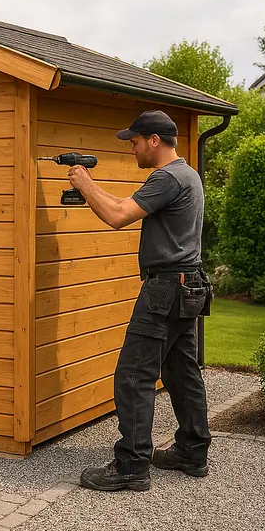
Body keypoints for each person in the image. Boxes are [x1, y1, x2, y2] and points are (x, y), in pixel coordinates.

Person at [65, 109, 213, 492]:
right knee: (181, 371)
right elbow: (123, 204)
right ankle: (192, 451)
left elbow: (117, 215)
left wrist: (85, 183)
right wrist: (91, 187)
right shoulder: (188, 174)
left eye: (134, 142)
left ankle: (131, 465)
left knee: (133, 375)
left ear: (154, 140)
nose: (132, 149)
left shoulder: (166, 178)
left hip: (166, 289)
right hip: (189, 286)